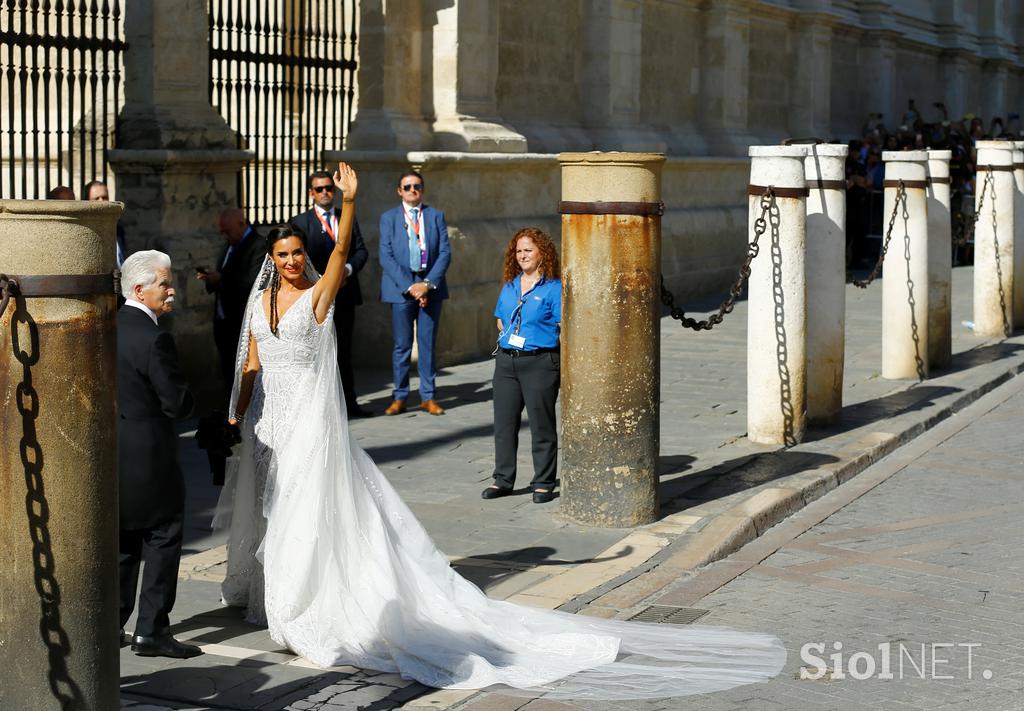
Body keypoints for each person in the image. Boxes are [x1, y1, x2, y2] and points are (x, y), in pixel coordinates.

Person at [215, 163, 785, 699]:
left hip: (311, 423)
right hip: (271, 418)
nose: (292, 261)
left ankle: (301, 609)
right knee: (272, 506)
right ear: (272, 258)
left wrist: (351, 201)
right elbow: (250, 363)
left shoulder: (318, 294)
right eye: (283, 254)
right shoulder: (261, 300)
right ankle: (274, 599)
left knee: (304, 512)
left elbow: (340, 250)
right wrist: (237, 411)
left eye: (296, 253)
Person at [117, 250, 201, 659]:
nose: (171, 291)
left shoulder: (107, 327)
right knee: (163, 537)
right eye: (164, 284)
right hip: (152, 457)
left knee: (123, 542)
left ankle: (111, 622)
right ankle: (151, 630)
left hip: (114, 455)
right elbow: (177, 404)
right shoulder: (155, 338)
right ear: (139, 289)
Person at [483, 228, 562, 504]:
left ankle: (543, 482)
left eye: (528, 250)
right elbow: (500, 320)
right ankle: (503, 479)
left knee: (541, 425)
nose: (522, 255)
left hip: (540, 362)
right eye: (518, 251)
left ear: (542, 252)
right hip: (506, 363)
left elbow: (565, 325)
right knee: (504, 425)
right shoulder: (510, 285)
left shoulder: (554, 288)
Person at [290, 170, 371, 418]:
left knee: (343, 350)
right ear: (311, 193)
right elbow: (299, 258)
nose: (325, 192)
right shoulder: (300, 222)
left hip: (345, 295)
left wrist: (346, 270)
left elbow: (360, 251)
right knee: (315, 352)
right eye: (320, 189)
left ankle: (349, 404)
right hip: (316, 298)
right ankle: (318, 407)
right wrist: (324, 281)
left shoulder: (345, 216)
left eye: (328, 188)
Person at [379, 170, 451, 416]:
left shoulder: (435, 215)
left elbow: (444, 253)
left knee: (428, 344)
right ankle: (400, 396)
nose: (412, 190)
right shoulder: (388, 218)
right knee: (402, 346)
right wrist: (412, 287)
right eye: (407, 187)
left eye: (417, 186)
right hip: (401, 288)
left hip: (430, 286)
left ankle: (428, 396)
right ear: (399, 191)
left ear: (423, 189)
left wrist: (427, 284)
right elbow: (385, 256)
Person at [197, 208, 266, 390]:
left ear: (241, 224)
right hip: (223, 321)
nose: (224, 236)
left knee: (244, 375)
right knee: (228, 372)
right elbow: (222, 274)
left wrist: (221, 279)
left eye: (227, 231)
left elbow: (253, 283)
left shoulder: (258, 245)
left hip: (241, 322)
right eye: (222, 232)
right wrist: (210, 279)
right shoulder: (229, 244)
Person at [84, 179, 127, 269]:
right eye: (96, 198)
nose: (102, 201)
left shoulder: (117, 229)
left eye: (104, 197)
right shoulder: (84, 231)